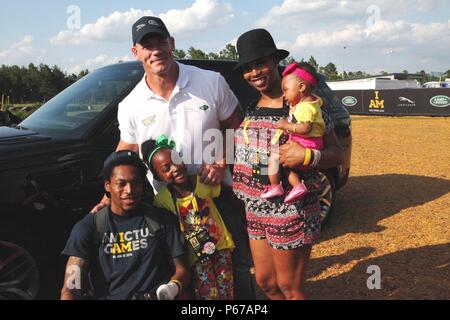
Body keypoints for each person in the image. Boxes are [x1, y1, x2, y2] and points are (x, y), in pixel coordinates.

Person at [91, 16, 255, 299]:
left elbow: (238, 126)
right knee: (184, 271)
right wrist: (107, 196)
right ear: (136, 52)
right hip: (168, 206)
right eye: (147, 46)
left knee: (236, 265)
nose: (156, 50)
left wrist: (221, 162)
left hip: (218, 195)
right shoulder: (130, 104)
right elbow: (126, 150)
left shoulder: (210, 81)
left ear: (172, 44)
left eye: (161, 42)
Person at [232, 28, 343, 300]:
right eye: (248, 67)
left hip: (291, 209)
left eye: (260, 63)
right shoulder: (250, 105)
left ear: (274, 61)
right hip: (256, 208)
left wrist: (308, 157)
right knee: (266, 282)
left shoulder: (301, 105)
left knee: (289, 288)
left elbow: (335, 153)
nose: (255, 72)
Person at [61, 150, 189, 300]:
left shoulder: (162, 220)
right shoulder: (88, 228)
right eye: (121, 184)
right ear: (107, 185)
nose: (129, 190)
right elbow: (71, 288)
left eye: (135, 182)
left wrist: (172, 288)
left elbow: (183, 270)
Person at [142, 135, 235, 300]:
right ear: (157, 177)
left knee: (226, 292)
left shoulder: (203, 181)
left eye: (176, 160)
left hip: (221, 247)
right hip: (195, 257)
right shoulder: (161, 200)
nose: (175, 168)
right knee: (208, 295)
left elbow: (227, 193)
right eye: (166, 168)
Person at [260, 62, 325, 203]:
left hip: (306, 145)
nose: (284, 96)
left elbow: (305, 128)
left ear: (301, 87)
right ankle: (296, 186)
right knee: (284, 163)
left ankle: (275, 186)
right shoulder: (312, 103)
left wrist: (286, 125)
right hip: (309, 144)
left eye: (285, 90)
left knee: (275, 156)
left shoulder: (303, 107)